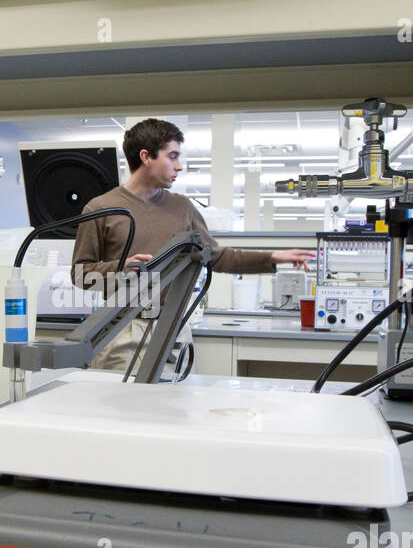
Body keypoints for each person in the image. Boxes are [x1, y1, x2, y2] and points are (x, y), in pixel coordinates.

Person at [72, 118, 313, 371]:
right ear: (146, 157)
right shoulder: (100, 209)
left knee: (174, 408)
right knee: (118, 408)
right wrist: (121, 271)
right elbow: (80, 274)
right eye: (172, 156)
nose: (179, 166)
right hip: (121, 330)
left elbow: (217, 257)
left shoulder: (183, 208)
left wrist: (272, 257)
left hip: (172, 327)